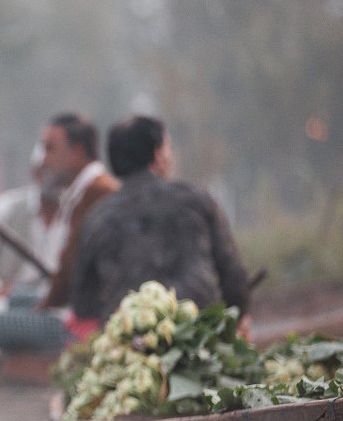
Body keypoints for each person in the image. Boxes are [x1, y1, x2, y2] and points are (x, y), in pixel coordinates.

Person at [70, 115, 250, 324]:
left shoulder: (96, 218)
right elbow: (234, 279)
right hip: (200, 335)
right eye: (168, 148)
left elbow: (82, 302)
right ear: (157, 154)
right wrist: (233, 319)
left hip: (129, 345)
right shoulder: (196, 200)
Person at [0, 113, 119, 352]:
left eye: (50, 149)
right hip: (71, 308)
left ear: (77, 152)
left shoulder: (96, 194)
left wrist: (44, 306)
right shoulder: (79, 195)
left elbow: (71, 273)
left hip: (84, 323)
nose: (45, 159)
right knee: (11, 302)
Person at [0, 145, 62, 319]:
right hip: (5, 306)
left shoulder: (74, 217)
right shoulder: (6, 208)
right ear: (35, 171)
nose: (52, 177)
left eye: (57, 171)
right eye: (46, 169)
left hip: (50, 309)